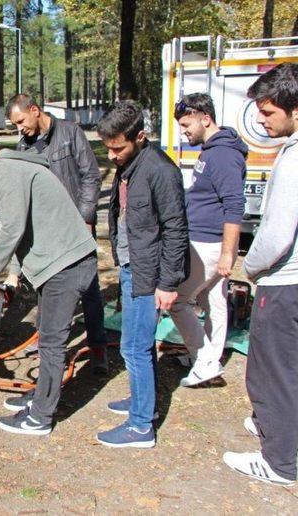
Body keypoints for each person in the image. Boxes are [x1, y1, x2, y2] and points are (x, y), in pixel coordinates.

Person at [0, 128, 99, 436]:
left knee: (51, 343)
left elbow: (13, 229)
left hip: (67, 264)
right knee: (46, 335)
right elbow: (26, 225)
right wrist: (15, 273)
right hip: (59, 262)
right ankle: (42, 394)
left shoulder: (5, 168)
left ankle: (40, 417)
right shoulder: (16, 165)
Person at [96, 101, 188, 448]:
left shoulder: (160, 170)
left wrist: (168, 282)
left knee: (134, 347)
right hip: (132, 266)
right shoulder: (130, 164)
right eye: (108, 148)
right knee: (136, 345)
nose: (111, 156)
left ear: (141, 137)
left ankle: (140, 426)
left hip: (148, 274)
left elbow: (176, 229)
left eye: (117, 148)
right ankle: (140, 402)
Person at [223, 63, 298, 486]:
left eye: (268, 113)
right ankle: (282, 430)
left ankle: (278, 461)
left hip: (284, 281)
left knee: (272, 368)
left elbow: (276, 234)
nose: (261, 121)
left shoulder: (292, 158)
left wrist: (250, 267)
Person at [6, 94, 108, 373]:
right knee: (46, 286)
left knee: (89, 290)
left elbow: (90, 176)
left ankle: (98, 350)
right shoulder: (23, 146)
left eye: (21, 121)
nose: (19, 129)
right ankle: (46, 341)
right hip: (46, 231)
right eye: (15, 125)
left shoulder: (70, 133)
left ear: (35, 110)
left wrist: (86, 216)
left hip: (76, 226)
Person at [169, 93, 247, 386]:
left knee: (178, 301)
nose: (184, 131)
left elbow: (234, 205)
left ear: (206, 118)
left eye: (187, 124)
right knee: (212, 298)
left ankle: (205, 361)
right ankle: (207, 356)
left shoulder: (223, 155)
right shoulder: (213, 149)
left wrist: (228, 253)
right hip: (207, 241)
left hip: (208, 244)